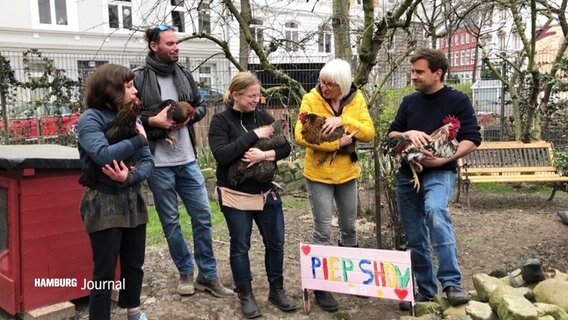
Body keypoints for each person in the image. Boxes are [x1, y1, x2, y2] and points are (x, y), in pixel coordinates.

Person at [132, 25, 233, 298]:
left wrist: (191, 116)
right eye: (169, 43)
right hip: (158, 162)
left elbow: (201, 105)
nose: (176, 47)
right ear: (154, 46)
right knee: (171, 222)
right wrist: (152, 121)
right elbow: (126, 116)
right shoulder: (138, 78)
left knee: (203, 216)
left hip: (187, 159)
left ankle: (208, 275)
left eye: (176, 43)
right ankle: (185, 272)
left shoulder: (184, 74)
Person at [387, 47, 481, 309]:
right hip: (408, 174)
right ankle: (426, 292)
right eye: (413, 71)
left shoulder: (458, 100)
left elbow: (472, 139)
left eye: (419, 72)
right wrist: (409, 133)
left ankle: (452, 285)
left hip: (440, 171)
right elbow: (391, 134)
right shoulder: (409, 102)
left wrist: (443, 160)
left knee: (436, 212)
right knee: (415, 235)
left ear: (437, 73)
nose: (414, 76)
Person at [208, 72, 296, 319]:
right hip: (236, 193)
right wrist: (255, 135)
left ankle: (276, 290)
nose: (257, 100)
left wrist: (263, 156)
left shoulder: (263, 116)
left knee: (276, 243)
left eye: (258, 95)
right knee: (240, 245)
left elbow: (285, 146)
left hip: (266, 191)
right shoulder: (221, 122)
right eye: (251, 96)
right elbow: (223, 155)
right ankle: (245, 294)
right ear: (235, 95)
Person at [294, 59, 375, 312]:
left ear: (342, 85)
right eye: (322, 82)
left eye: (330, 84)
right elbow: (301, 135)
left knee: (350, 227)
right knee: (323, 229)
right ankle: (321, 287)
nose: (324, 87)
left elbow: (369, 132)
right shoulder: (311, 99)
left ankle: (350, 278)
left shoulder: (355, 99)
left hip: (347, 173)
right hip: (319, 174)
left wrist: (344, 122)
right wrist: (335, 145)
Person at [77, 63, 154, 320]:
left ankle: (134, 312)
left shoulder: (133, 116)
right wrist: (138, 140)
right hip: (103, 201)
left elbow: (148, 162)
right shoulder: (91, 119)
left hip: (132, 198)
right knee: (104, 272)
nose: (135, 90)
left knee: (134, 265)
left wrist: (129, 176)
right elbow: (102, 155)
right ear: (111, 89)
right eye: (129, 85)